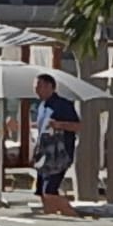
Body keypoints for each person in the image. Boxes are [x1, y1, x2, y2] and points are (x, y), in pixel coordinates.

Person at [31, 72, 81, 216]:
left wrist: (59, 125)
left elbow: (78, 126)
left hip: (59, 155)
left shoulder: (63, 105)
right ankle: (51, 218)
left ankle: (74, 215)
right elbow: (42, 128)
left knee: (49, 191)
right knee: (41, 192)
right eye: (35, 86)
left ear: (49, 87)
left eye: (38, 86)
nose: (35, 89)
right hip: (43, 155)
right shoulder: (41, 106)